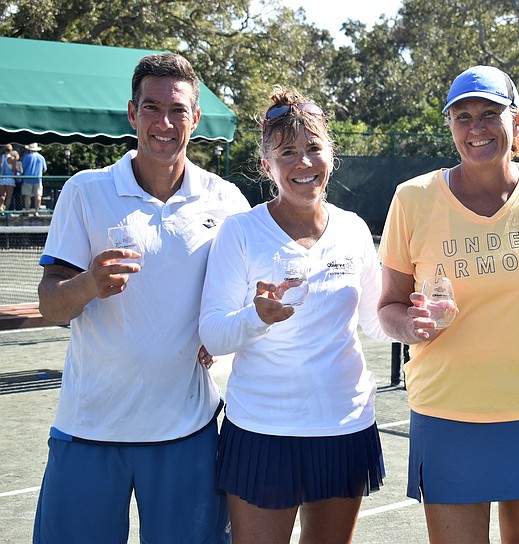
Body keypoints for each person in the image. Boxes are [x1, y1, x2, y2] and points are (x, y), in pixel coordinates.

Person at [34, 53, 250, 543]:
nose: (164, 123)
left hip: (188, 433)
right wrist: (89, 284)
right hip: (89, 429)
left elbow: (242, 304)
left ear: (196, 117)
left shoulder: (227, 201)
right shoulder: (85, 191)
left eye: (177, 110)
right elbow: (50, 305)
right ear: (132, 113)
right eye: (151, 108)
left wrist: (221, 339)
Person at [377, 65, 519, 543]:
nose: (476, 128)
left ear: (517, 119)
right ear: (451, 125)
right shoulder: (412, 199)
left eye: (490, 113)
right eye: (463, 116)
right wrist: (413, 327)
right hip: (447, 413)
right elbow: (389, 305)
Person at [199, 86, 389, 544]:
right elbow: (214, 333)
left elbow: (377, 322)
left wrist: (418, 314)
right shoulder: (240, 231)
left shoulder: (354, 229)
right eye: (287, 153)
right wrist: (257, 317)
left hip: (344, 425)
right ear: (267, 165)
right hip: (262, 429)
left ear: (331, 155)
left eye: (313, 148)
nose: (304, 162)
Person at [21, 142, 47, 212]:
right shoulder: (41, 157)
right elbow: (44, 169)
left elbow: (23, 167)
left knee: (27, 196)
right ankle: (36, 211)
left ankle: (27, 210)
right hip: (38, 179)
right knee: (38, 196)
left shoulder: (26, 157)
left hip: (27, 179)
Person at [0, 144, 21, 210]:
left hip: (2, 178)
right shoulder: (12, 159)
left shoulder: (1, 158)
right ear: (11, 150)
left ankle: (1, 208)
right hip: (9, 178)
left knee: (2, 195)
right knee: (9, 196)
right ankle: (7, 210)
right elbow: (14, 169)